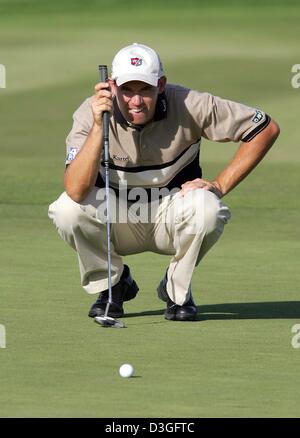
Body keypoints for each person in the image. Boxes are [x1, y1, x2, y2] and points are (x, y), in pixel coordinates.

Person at [48, 43, 280, 322]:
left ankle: (176, 290)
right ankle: (113, 285)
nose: (136, 101)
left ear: (160, 84)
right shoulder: (90, 113)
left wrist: (219, 185)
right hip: (118, 217)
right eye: (127, 90)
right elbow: (75, 189)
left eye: (145, 89)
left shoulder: (189, 103)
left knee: (209, 208)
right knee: (66, 210)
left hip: (171, 214)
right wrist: (99, 126)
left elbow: (265, 128)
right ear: (111, 86)